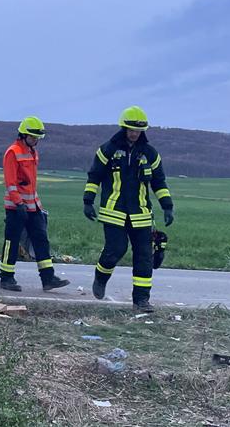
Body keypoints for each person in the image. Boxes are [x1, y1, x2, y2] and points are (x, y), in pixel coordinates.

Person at [82, 106, 174, 312]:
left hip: (141, 214)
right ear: (124, 128)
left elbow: (159, 182)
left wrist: (167, 207)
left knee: (144, 256)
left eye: (138, 130)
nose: (134, 134)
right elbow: (94, 176)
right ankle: (101, 276)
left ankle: (141, 300)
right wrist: (88, 201)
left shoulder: (150, 154)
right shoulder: (107, 150)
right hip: (113, 211)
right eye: (131, 129)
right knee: (116, 249)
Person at [0, 117, 70, 292]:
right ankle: (6, 278)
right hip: (16, 207)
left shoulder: (32, 152)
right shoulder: (13, 152)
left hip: (33, 206)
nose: (35, 140)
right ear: (23, 135)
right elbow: (11, 182)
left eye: (37, 137)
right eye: (32, 137)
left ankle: (48, 278)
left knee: (41, 241)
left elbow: (30, 184)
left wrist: (34, 205)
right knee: (12, 242)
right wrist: (18, 203)